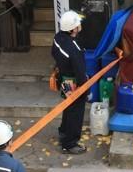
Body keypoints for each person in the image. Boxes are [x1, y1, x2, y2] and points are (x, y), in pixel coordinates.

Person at [51, 10, 88, 155]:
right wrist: (86, 90)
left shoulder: (58, 38)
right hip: (74, 82)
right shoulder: (74, 49)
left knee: (68, 106)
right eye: (78, 24)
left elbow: (54, 53)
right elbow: (80, 71)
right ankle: (70, 143)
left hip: (64, 79)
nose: (80, 26)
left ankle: (63, 131)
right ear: (73, 29)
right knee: (76, 112)